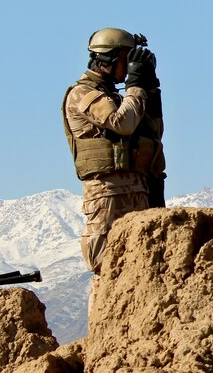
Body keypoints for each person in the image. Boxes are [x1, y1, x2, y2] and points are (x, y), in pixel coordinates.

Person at [62, 27, 166, 274]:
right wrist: (135, 86)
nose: (128, 66)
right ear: (108, 58)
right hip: (108, 193)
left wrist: (149, 89)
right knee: (108, 266)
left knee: (144, 264)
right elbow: (123, 124)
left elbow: (154, 133)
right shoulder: (83, 94)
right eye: (126, 59)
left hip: (140, 189)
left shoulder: (119, 97)